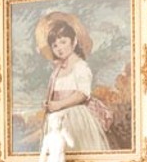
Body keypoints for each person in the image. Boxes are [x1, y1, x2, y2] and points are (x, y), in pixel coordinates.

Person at [34, 12, 111, 151]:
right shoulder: (57, 70)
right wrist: (49, 103)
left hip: (76, 117)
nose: (59, 48)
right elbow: (54, 93)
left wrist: (59, 105)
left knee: (77, 148)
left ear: (74, 41)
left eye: (63, 42)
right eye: (55, 45)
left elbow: (82, 94)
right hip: (57, 118)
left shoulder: (81, 66)